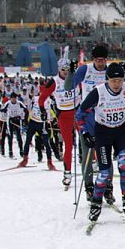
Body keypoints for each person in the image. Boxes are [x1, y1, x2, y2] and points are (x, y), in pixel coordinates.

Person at [76, 63, 125, 221]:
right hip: (103, 133)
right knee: (104, 172)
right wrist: (85, 132)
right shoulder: (98, 92)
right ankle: (96, 205)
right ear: (107, 80)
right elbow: (80, 113)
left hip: (121, 132)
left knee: (124, 167)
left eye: (120, 80)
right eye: (113, 81)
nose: (117, 84)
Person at [39, 58, 77, 186]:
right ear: (58, 69)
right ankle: (67, 173)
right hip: (64, 115)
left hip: (77, 112)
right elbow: (42, 98)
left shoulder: (75, 77)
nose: (66, 72)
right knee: (68, 145)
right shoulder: (54, 82)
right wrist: (43, 111)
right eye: (63, 70)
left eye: (67, 70)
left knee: (88, 139)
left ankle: (93, 164)